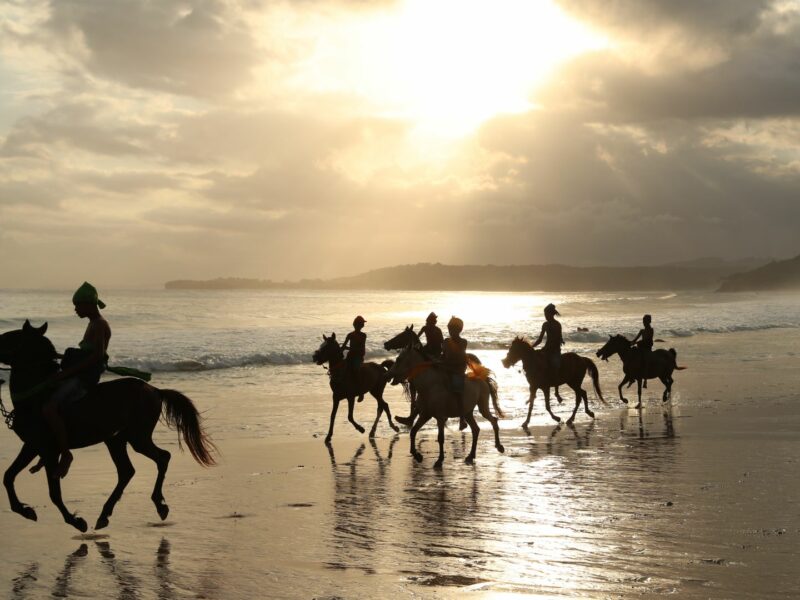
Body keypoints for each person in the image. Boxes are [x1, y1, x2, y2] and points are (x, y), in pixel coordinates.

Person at [42, 282, 111, 478]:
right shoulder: (93, 323)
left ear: (89, 304)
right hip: (80, 373)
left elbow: (96, 356)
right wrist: (60, 358)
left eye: (78, 305)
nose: (75, 309)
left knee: (49, 408)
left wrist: (65, 373)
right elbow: (86, 354)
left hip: (84, 379)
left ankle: (65, 454)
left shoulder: (99, 324)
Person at [442, 316, 469, 430]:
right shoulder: (446, 341)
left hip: (458, 370)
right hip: (446, 368)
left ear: (459, 330)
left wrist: (447, 363)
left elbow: (458, 357)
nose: (450, 331)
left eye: (452, 329)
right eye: (449, 329)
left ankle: (462, 419)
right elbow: (444, 355)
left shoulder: (463, 342)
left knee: (458, 393)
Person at [532, 303, 563, 385]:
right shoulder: (545, 324)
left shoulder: (557, 324)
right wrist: (531, 346)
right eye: (544, 314)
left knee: (555, 364)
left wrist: (549, 348)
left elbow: (558, 339)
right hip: (546, 349)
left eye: (546, 314)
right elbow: (540, 339)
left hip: (555, 350)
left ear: (551, 314)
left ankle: (555, 381)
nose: (545, 316)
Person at [343, 316, 367, 401]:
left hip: (358, 357)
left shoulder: (363, 335)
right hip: (350, 357)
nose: (362, 325)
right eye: (362, 324)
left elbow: (361, 348)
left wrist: (349, 348)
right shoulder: (350, 335)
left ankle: (361, 393)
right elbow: (343, 346)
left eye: (362, 324)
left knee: (356, 371)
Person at [631, 314, 654, 388]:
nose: (643, 323)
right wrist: (631, 343)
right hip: (641, 347)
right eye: (643, 321)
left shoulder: (651, 330)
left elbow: (647, 340)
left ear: (648, 322)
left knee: (645, 359)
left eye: (645, 321)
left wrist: (638, 342)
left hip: (647, 348)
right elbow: (635, 339)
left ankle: (645, 380)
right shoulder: (642, 331)